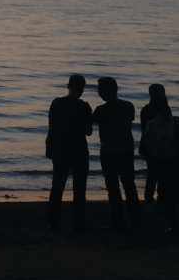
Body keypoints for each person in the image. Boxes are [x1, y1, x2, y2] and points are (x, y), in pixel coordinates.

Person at [139, 87, 179, 234]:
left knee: (163, 191)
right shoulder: (174, 121)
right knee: (175, 193)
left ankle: (166, 220)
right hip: (172, 161)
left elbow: (145, 140)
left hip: (160, 160)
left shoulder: (151, 119)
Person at [91, 77, 140, 231]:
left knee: (113, 187)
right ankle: (135, 218)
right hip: (126, 150)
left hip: (109, 151)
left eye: (100, 90)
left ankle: (118, 220)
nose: (99, 92)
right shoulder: (128, 106)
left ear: (105, 91)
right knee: (129, 185)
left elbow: (91, 125)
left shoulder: (100, 110)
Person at [45, 74, 93, 233]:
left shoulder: (57, 103)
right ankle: (78, 224)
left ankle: (53, 222)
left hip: (61, 149)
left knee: (57, 187)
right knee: (79, 190)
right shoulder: (84, 106)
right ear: (81, 88)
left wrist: (49, 148)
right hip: (78, 150)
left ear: (68, 86)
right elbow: (88, 131)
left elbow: (51, 128)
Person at [139, 83, 167, 204]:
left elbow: (144, 130)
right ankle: (159, 197)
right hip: (162, 145)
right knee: (160, 174)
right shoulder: (165, 109)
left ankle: (150, 198)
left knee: (153, 174)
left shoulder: (146, 109)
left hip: (151, 145)